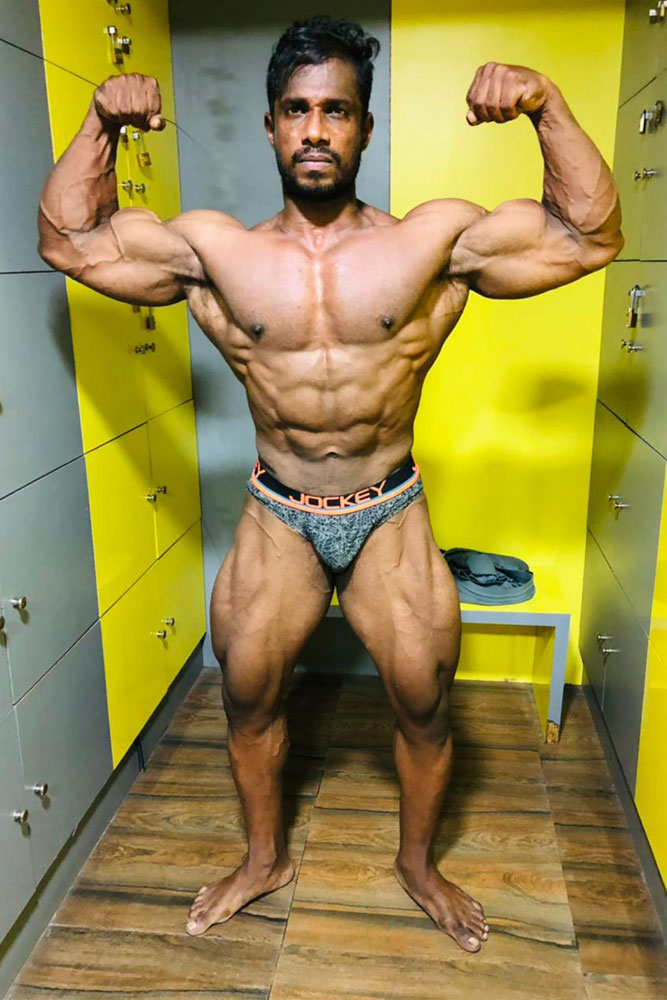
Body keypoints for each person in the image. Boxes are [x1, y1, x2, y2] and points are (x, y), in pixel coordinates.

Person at [37, 15, 623, 954]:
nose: (315, 129)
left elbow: (587, 234)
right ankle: (263, 858)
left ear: (364, 127)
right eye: (297, 109)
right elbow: (69, 240)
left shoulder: (432, 242)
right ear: (272, 124)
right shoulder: (215, 252)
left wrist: (545, 104)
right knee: (247, 695)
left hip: (386, 510)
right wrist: (99, 123)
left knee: (424, 701)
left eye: (336, 111)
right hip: (280, 512)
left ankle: (418, 866)